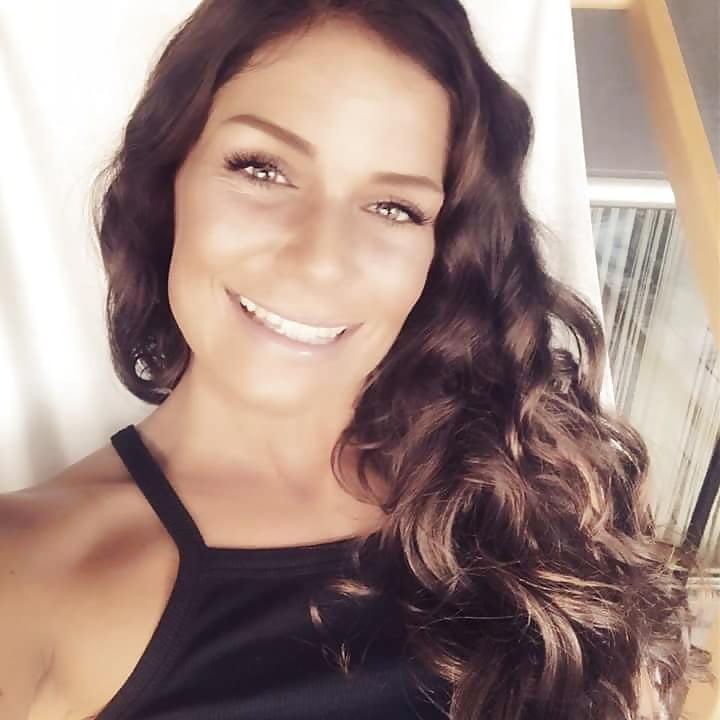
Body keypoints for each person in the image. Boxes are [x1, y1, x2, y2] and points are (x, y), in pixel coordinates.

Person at [0, 1, 713, 718]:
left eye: (394, 207)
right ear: (167, 181)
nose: (320, 260)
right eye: (262, 169)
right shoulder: (30, 569)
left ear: (440, 253)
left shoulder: (531, 484)